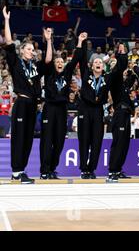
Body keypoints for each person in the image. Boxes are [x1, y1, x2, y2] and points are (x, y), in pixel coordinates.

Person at [2, 6, 53, 184]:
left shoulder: (35, 67)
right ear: (22, 50)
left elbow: (48, 60)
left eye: (33, 49)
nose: (32, 51)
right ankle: (17, 171)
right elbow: (9, 43)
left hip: (33, 105)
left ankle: (20, 170)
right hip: (22, 104)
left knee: (28, 140)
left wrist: (49, 40)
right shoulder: (15, 62)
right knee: (19, 138)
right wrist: (7, 20)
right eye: (29, 49)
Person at [40, 32, 86, 179]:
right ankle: (44, 170)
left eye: (62, 61)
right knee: (47, 140)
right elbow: (47, 59)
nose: (60, 63)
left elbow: (76, 58)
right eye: (57, 61)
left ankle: (52, 168)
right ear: (54, 64)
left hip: (61, 110)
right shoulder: (49, 73)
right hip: (49, 108)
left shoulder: (67, 74)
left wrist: (79, 41)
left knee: (59, 141)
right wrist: (48, 41)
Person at [77, 35, 115, 179]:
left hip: (98, 110)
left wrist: (117, 54)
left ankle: (91, 169)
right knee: (84, 140)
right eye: (96, 62)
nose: (98, 63)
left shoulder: (107, 78)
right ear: (92, 65)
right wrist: (81, 42)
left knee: (97, 141)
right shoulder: (86, 74)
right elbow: (80, 59)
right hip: (85, 110)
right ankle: (84, 169)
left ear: (103, 66)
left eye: (100, 61)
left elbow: (117, 69)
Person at [107, 43, 136, 182]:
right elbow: (121, 67)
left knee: (124, 143)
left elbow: (135, 77)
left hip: (126, 114)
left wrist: (132, 71)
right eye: (114, 63)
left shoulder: (124, 83)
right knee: (118, 142)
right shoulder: (113, 77)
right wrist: (122, 54)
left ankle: (118, 169)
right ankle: (113, 170)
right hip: (119, 113)